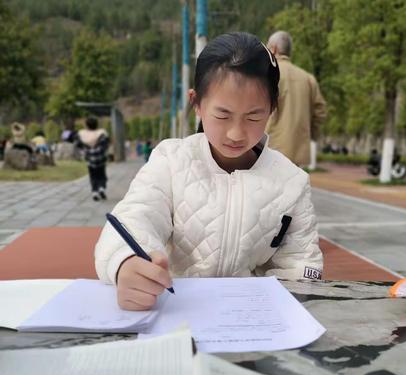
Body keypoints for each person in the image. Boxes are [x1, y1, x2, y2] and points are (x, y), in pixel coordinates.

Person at [95, 32, 323, 311]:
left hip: (250, 322)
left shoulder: (292, 182)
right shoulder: (172, 160)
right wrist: (126, 262)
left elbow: (302, 263)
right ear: (197, 103)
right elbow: (134, 219)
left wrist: (284, 300)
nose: (236, 133)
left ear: (272, 109)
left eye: (254, 116)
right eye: (222, 115)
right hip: (176, 311)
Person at [266, 31, 327, 166]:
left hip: (270, 151)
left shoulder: (267, 74)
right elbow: (320, 112)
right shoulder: (307, 78)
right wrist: (310, 135)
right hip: (298, 152)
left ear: (273, 49)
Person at [75, 116, 110, 201]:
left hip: (90, 160)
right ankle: (101, 188)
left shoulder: (82, 134)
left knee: (93, 176)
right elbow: (105, 145)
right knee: (102, 175)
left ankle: (94, 191)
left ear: (87, 125)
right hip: (100, 159)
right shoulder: (101, 133)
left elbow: (78, 144)